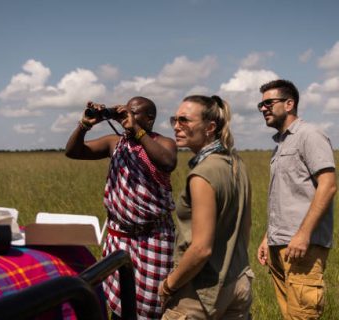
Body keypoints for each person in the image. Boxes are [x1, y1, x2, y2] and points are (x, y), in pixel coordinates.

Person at [65, 96, 177, 319]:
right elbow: (73, 151)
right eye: (126, 112)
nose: (128, 116)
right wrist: (85, 124)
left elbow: (167, 162)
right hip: (119, 237)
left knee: (153, 307)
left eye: (134, 113)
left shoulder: (163, 142)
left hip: (153, 237)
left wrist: (137, 130)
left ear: (150, 118)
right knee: (121, 307)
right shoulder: (115, 143)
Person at [159, 95, 253, 319]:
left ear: (210, 127)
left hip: (202, 291)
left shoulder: (202, 174)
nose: (176, 126)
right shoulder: (236, 164)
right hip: (238, 281)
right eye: (175, 119)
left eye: (185, 120)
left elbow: (201, 249)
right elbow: (244, 228)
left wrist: (169, 285)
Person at [256, 79, 337, 319]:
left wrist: (303, 235)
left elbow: (329, 186)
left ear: (289, 104)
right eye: (261, 105)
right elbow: (286, 195)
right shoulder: (281, 144)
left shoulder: (309, 135)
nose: (263, 109)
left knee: (303, 314)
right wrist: (266, 238)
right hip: (278, 245)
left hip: (303, 247)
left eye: (269, 103)